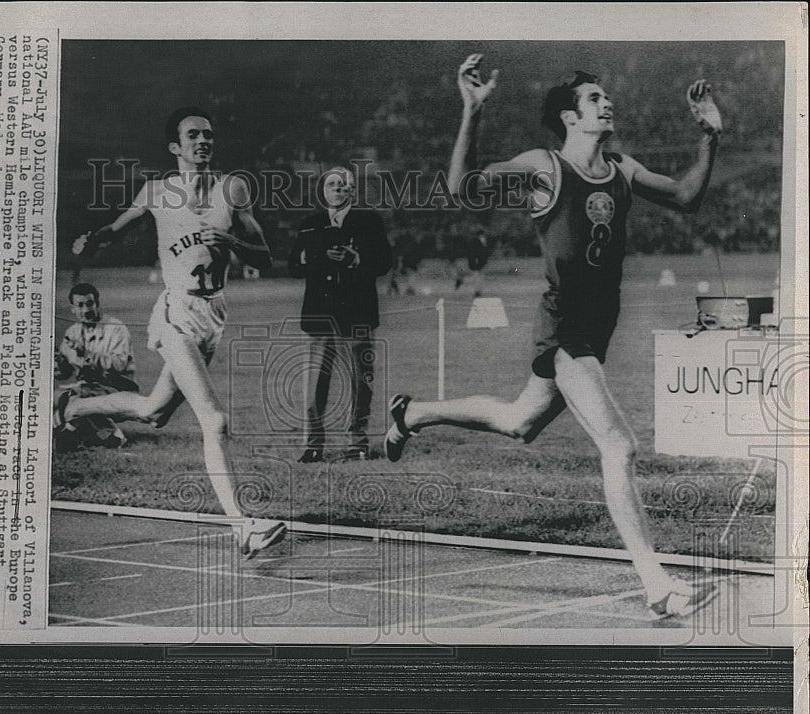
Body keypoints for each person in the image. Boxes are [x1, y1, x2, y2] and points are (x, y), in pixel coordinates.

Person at [384, 55, 723, 620]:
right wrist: (472, 112)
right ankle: (657, 584)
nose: (606, 102)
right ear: (570, 117)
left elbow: (687, 195)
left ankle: (411, 413)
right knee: (619, 445)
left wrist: (710, 135)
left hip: (597, 330)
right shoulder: (543, 167)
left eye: (605, 95)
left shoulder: (621, 168)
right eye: (594, 98)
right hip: (564, 330)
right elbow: (463, 188)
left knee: (520, 422)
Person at [59, 106, 286, 559]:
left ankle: (75, 406)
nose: (203, 141)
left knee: (153, 412)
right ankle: (242, 526)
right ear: (175, 147)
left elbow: (265, 256)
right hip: (174, 314)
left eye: (208, 135)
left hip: (212, 317)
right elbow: (115, 228)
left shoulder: (233, 189)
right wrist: (90, 239)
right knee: (215, 421)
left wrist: (235, 244)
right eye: (193, 135)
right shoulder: (158, 191)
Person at [288, 167, 392, 462]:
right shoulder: (310, 224)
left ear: (352, 191)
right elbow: (295, 265)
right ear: (323, 191)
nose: (337, 189)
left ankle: (357, 441)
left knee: (360, 381)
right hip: (319, 315)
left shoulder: (369, 221)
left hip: (357, 314)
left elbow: (384, 262)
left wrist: (357, 259)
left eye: (343, 185)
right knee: (313, 386)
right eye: (332, 184)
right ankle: (313, 443)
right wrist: (316, 261)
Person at [53, 283, 138, 451]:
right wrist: (58, 362)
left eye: (90, 304)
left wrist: (87, 354)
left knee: (73, 398)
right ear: (73, 309)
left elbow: (118, 366)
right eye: (80, 305)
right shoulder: (72, 332)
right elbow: (64, 374)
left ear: (97, 304)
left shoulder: (116, 328)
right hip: (86, 389)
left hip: (118, 388)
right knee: (55, 398)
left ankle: (109, 435)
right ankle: (75, 430)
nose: (86, 310)